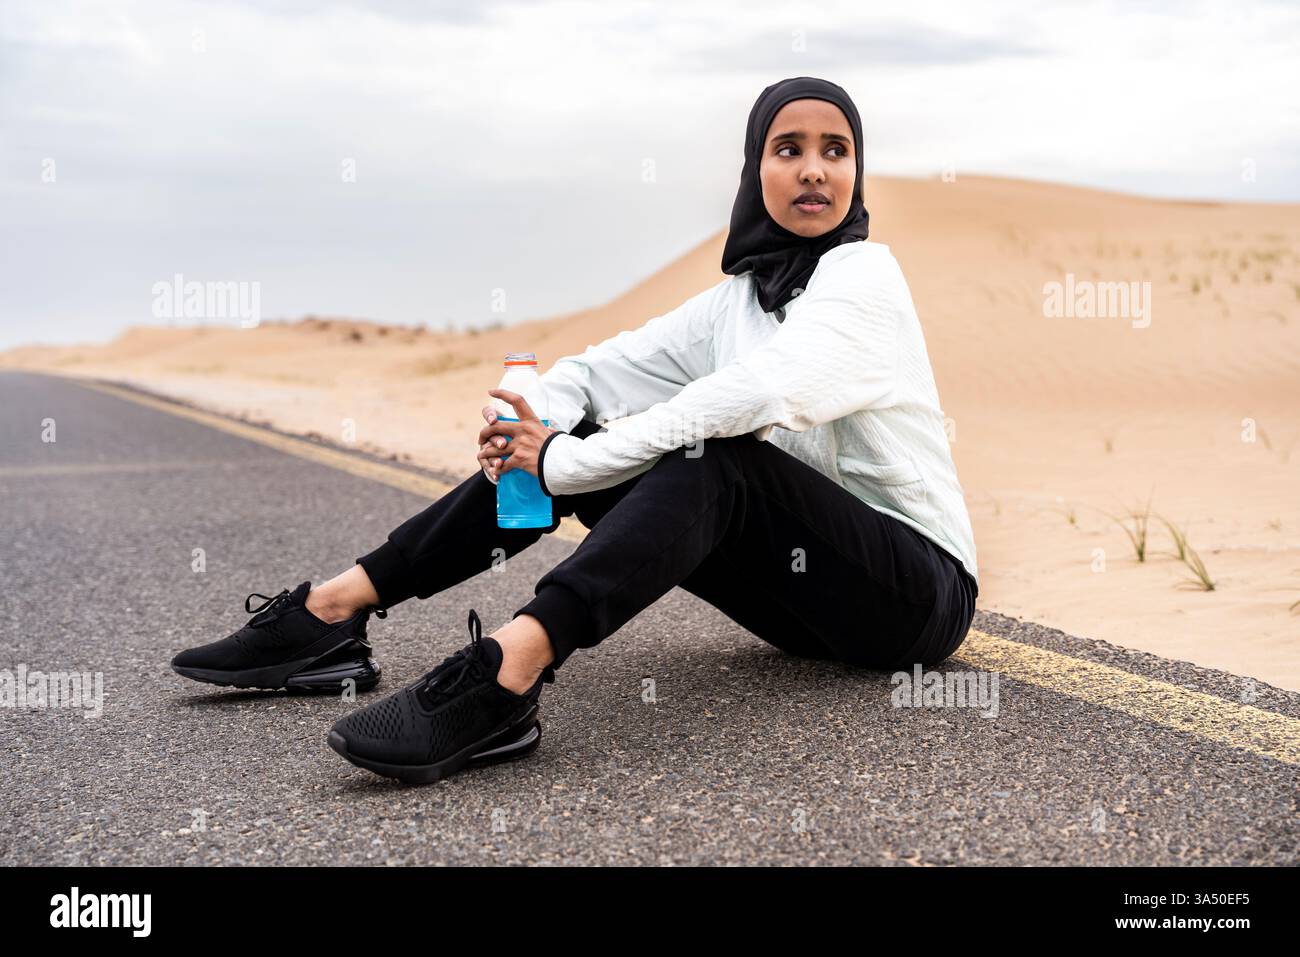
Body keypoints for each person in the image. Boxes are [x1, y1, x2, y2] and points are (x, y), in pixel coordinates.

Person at [171, 76, 979, 786]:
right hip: (808, 613)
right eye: (788, 147)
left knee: (716, 457)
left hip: (914, 600)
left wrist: (565, 463)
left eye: (835, 151)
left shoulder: (864, 277)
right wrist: (531, 422)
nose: (813, 167)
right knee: (594, 433)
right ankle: (336, 609)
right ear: (753, 169)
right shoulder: (735, 302)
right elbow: (595, 372)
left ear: (854, 173)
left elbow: (750, 395)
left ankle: (509, 673)